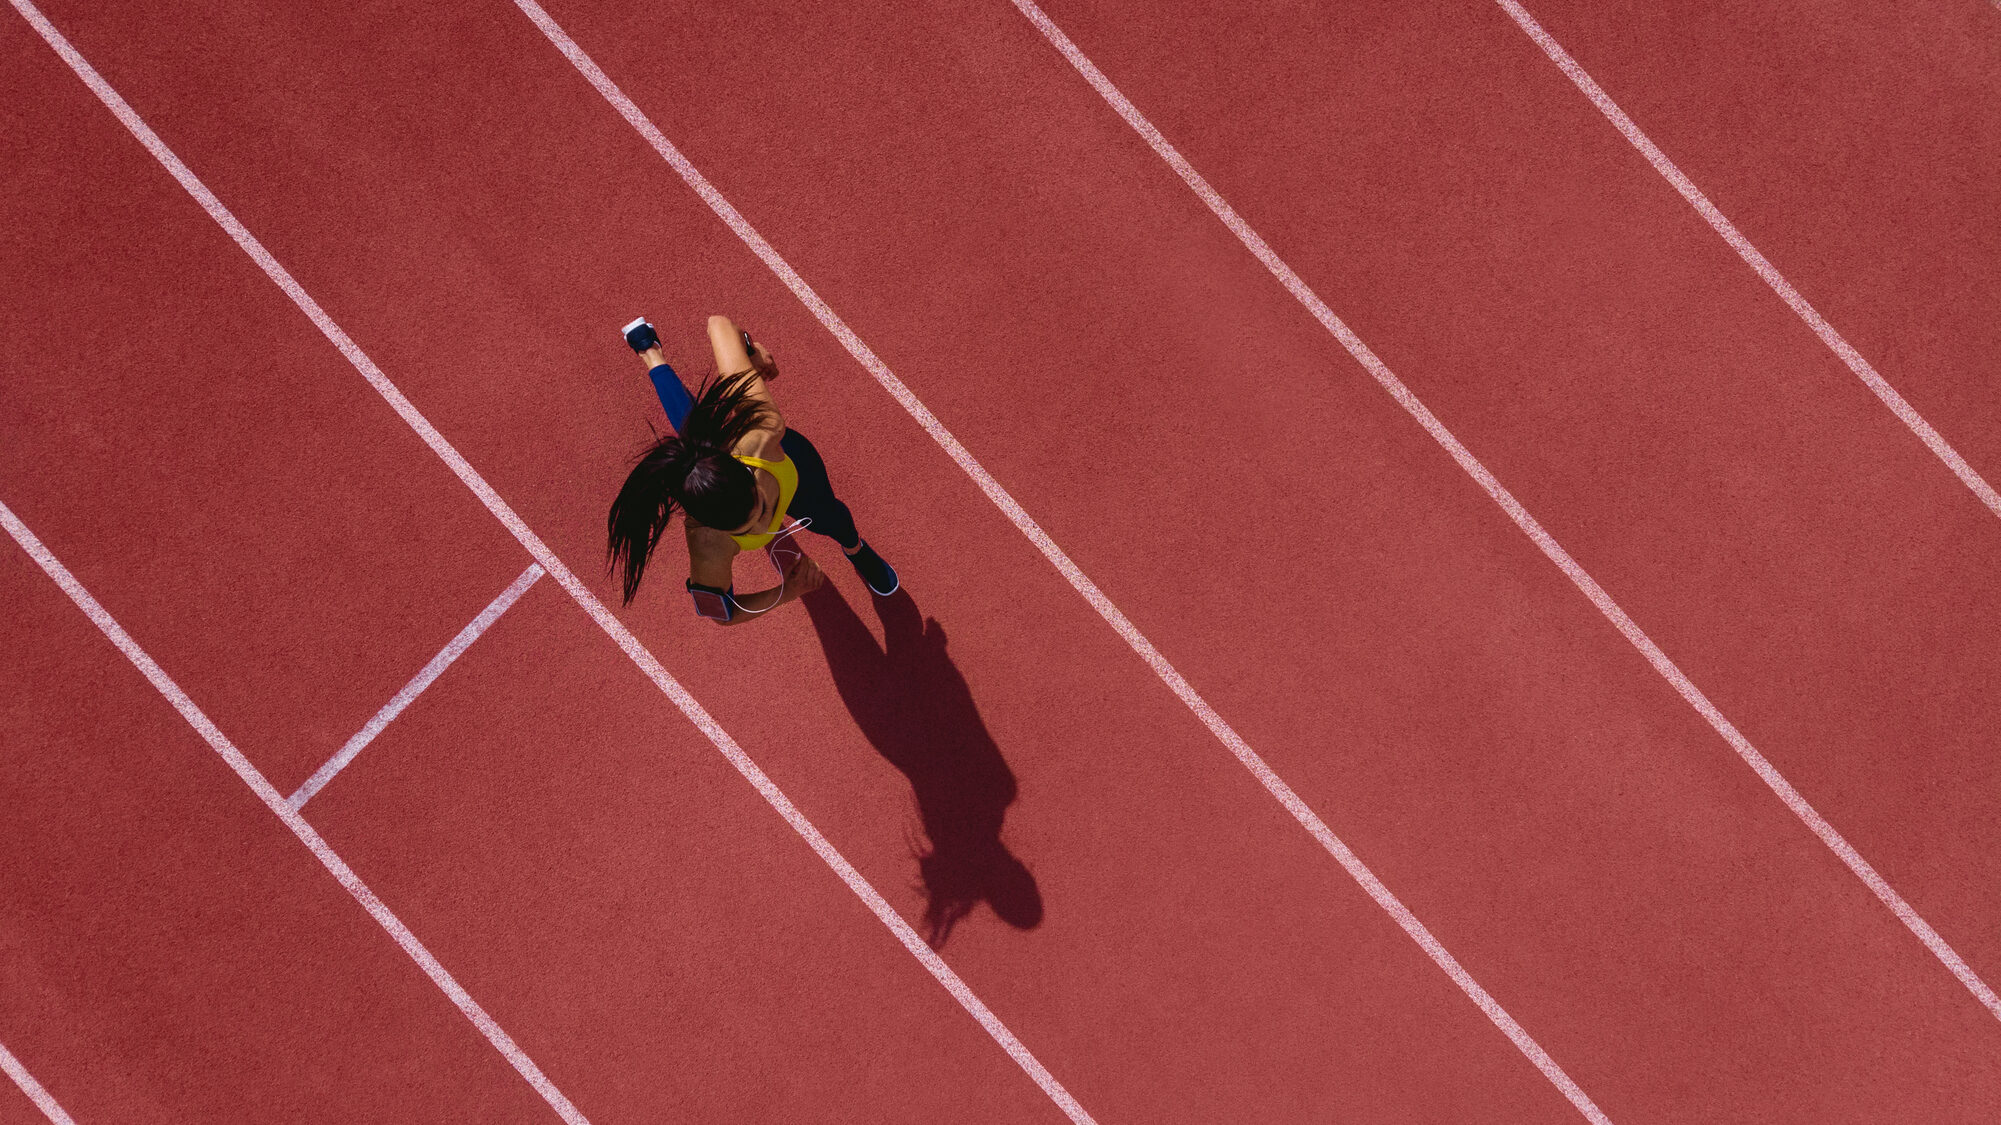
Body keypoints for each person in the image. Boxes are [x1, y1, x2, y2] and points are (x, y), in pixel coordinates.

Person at [607, 314, 897, 623]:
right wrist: (788, 592)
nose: (764, 527)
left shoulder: (763, 430)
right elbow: (722, 614)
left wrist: (749, 349)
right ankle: (649, 352)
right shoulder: (706, 543)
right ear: (710, 524)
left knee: (831, 517)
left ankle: (855, 549)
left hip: (785, 459)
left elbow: (717, 324)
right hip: (754, 471)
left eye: (760, 511)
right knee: (694, 437)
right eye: (744, 531)